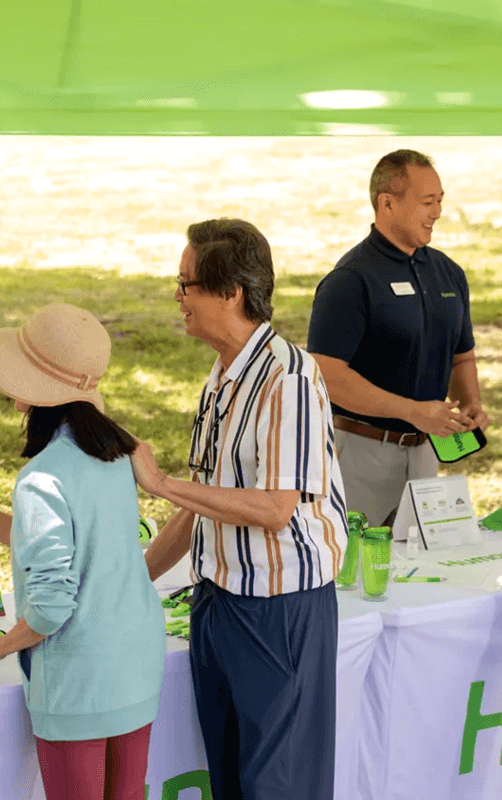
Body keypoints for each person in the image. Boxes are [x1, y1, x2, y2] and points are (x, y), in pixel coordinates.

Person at [0, 302, 165, 800]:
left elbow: (50, 605)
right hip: (134, 664)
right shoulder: (116, 457)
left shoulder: (43, 477)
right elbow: (63, 544)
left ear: (26, 398)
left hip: (77, 678)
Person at [133, 218, 348, 800]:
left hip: (279, 614)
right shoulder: (222, 375)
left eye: (186, 284)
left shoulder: (290, 378)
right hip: (217, 605)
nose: (177, 297)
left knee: (279, 787)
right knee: (230, 784)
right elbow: (208, 501)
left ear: (230, 293)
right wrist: (130, 580)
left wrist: (160, 483)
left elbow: (275, 508)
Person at [307, 148, 488, 528]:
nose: (437, 212)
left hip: (425, 456)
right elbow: (326, 374)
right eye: (427, 202)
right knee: (351, 575)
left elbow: (462, 356)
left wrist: (470, 403)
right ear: (386, 203)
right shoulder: (350, 281)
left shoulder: (449, 274)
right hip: (359, 456)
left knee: (424, 574)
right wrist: (411, 410)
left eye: (439, 201)